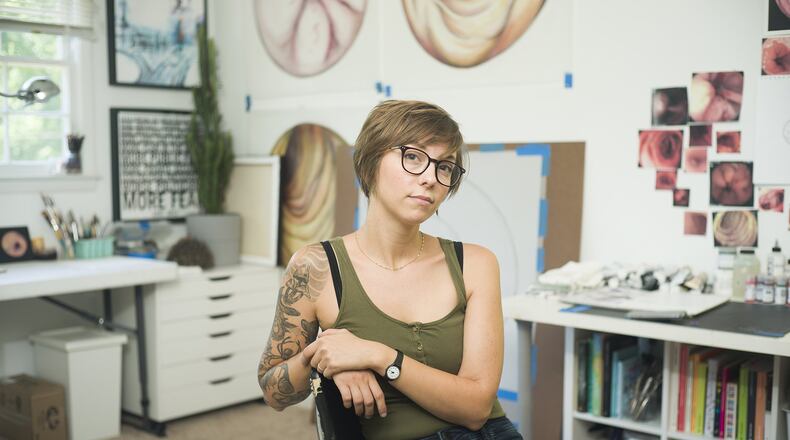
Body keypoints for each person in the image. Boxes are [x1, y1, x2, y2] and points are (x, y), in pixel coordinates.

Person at [257, 100, 521, 439]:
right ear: (371, 161)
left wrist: (380, 357)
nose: (430, 178)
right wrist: (324, 358)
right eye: (413, 156)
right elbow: (272, 392)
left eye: (445, 167)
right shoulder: (315, 268)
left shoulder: (476, 264)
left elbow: (476, 409)